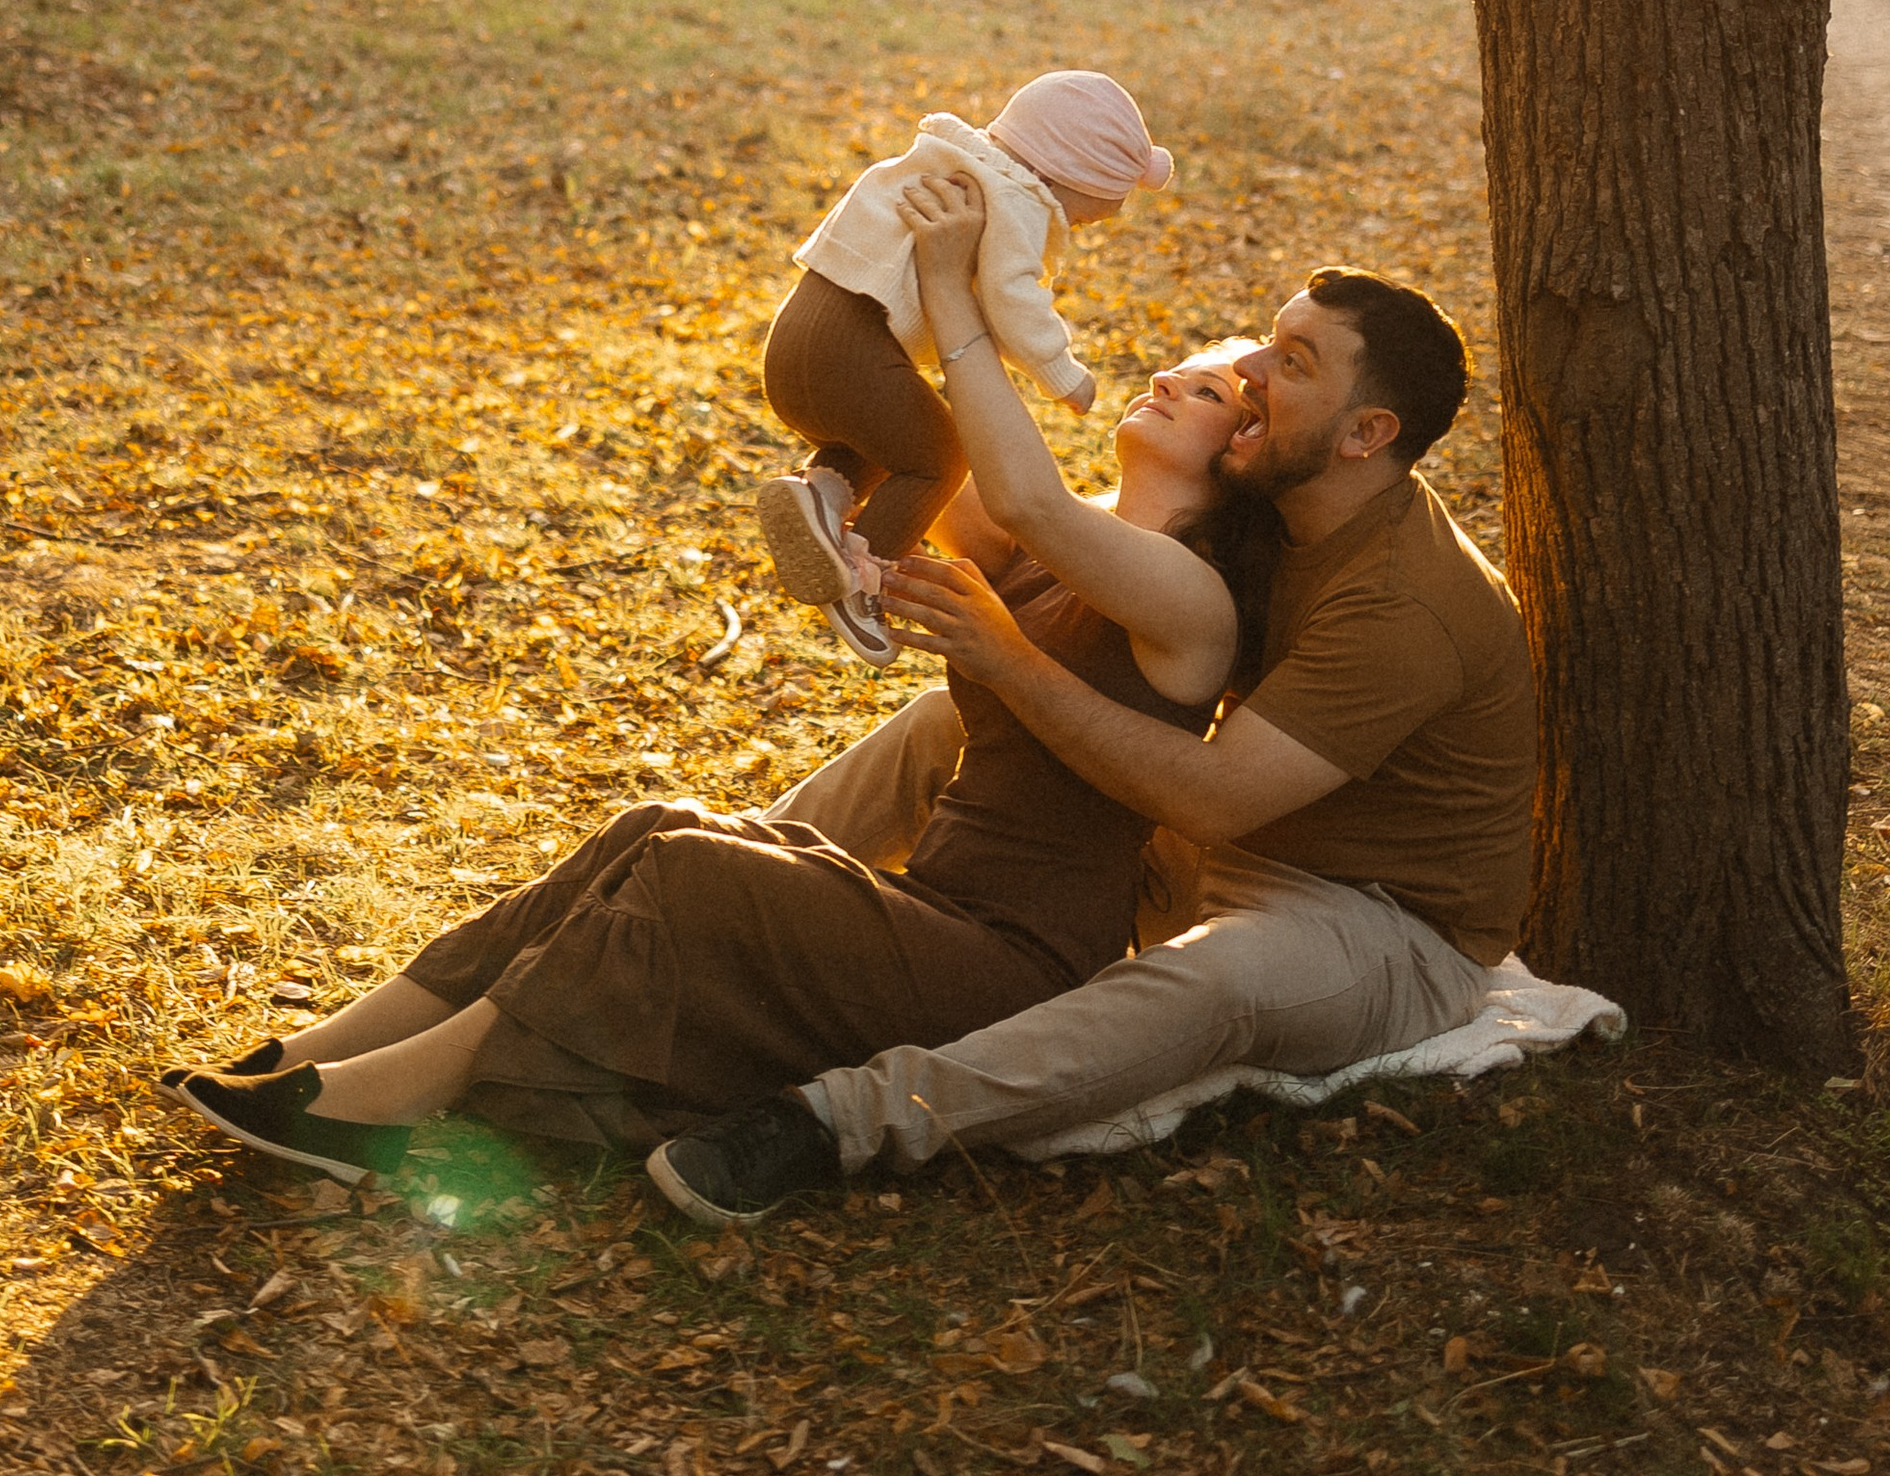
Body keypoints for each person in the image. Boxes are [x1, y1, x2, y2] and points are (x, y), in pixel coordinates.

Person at [156, 329, 1258, 1189]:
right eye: (1185, 366)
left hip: (1013, 968)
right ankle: (314, 1056)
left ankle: (382, 1108)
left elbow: (1021, 496)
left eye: (1207, 392)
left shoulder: (1188, 595)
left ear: (1241, 457)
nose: (1169, 377)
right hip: (935, 914)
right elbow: (932, 432)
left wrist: (1003, 648)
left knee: (696, 870)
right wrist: (939, 261)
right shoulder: (1057, 539)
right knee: (654, 826)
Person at [645, 190, 1537, 1228]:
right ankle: (708, 898)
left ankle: (834, 1121)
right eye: (1266, 346)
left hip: (1377, 923)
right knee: (949, 728)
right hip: (1217, 852)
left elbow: (1212, 798)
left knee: (1225, 979)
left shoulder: (1401, 601)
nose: (1249, 374)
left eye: (1291, 365)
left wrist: (1013, 662)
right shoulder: (1263, 499)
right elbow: (1020, 514)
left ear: (1366, 433)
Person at [754, 68, 1174, 665]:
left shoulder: (941, 159)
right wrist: (1063, 375)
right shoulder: (1016, 200)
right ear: (1062, 175)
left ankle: (821, 495)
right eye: (1080, 218)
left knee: (898, 433)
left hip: (798, 340)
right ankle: (858, 578)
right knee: (943, 455)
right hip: (849, 348)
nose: (1073, 231)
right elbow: (1011, 297)